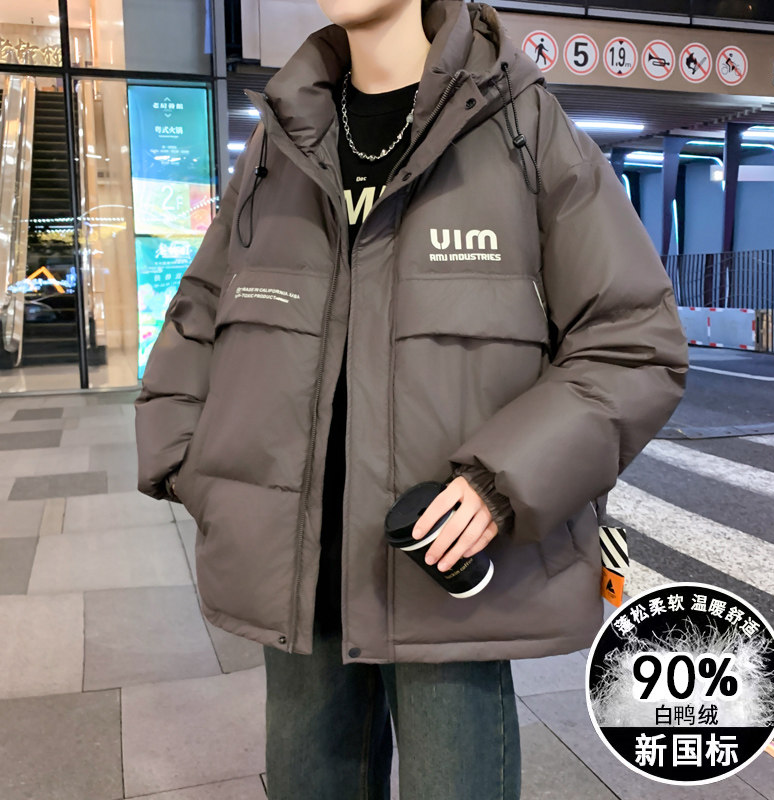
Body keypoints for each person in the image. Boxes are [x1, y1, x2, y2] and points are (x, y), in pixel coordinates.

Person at [134, 1, 689, 797]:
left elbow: (633, 340)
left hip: (441, 569)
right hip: (296, 576)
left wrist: (501, 483)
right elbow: (198, 318)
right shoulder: (283, 140)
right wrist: (191, 468)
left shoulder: (520, 126)